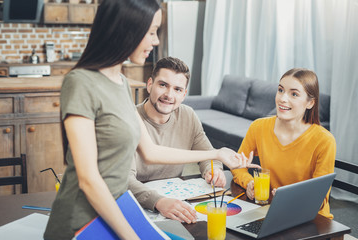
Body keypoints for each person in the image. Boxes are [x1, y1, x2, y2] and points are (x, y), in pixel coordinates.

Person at [44, 1, 258, 239]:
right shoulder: (81, 82)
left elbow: (151, 151)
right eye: (151, 32)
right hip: (83, 222)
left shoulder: (121, 82)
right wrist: (131, 236)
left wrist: (217, 154)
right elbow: (89, 180)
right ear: (127, 29)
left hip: (120, 210)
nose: (156, 41)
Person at [129, 57, 226, 224]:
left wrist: (213, 170)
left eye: (177, 89)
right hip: (136, 206)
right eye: (163, 85)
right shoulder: (130, 119)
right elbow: (123, 179)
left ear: (184, 94)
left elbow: (207, 155)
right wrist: (158, 202)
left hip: (175, 205)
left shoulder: (188, 115)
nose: (169, 95)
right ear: (150, 84)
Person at [231, 68, 336, 219]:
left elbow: (319, 198)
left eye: (294, 94)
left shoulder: (324, 141)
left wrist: (290, 198)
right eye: (280, 90)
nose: (282, 98)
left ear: (310, 103)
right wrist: (249, 183)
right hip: (270, 212)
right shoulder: (258, 127)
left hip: (311, 220)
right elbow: (238, 166)